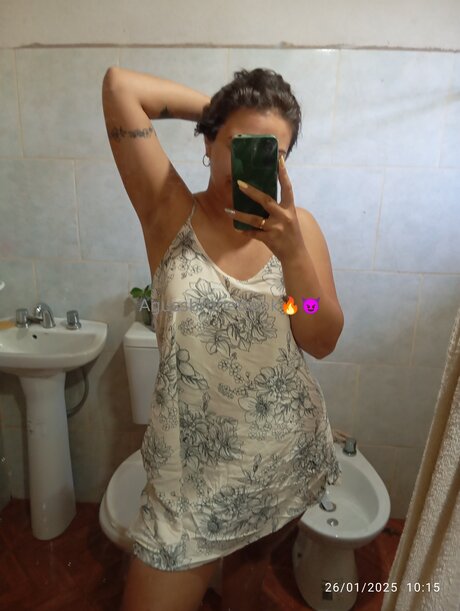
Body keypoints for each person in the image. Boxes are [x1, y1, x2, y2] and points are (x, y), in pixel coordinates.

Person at [102, 65, 344, 611]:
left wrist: (294, 256)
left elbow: (319, 334)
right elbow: (120, 87)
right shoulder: (169, 211)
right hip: (188, 479)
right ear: (209, 144)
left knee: (248, 573)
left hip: (283, 459)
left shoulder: (299, 230)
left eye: (272, 151)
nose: (254, 160)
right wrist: (218, 111)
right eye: (240, 144)